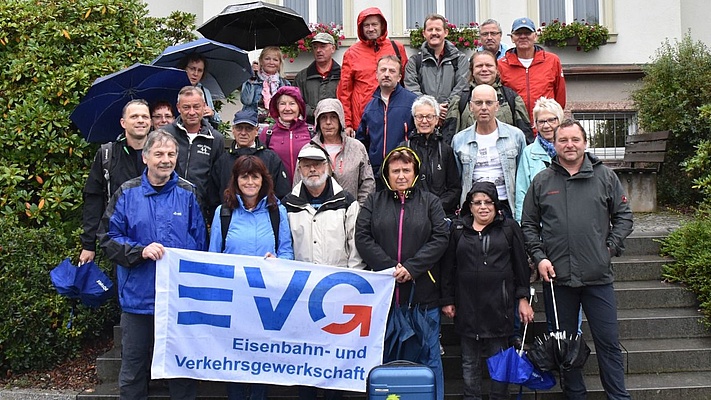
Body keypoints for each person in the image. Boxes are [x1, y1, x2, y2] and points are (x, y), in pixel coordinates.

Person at [521, 119, 633, 400]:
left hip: (598, 278)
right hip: (558, 280)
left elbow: (624, 218)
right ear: (554, 144)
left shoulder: (605, 176)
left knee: (608, 343)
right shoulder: (542, 181)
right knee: (565, 347)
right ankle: (575, 396)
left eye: (575, 139)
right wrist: (539, 257)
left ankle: (618, 397)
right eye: (563, 140)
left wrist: (609, 249)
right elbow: (529, 225)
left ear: (585, 143)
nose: (569, 145)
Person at [98, 129, 207, 400]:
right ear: (146, 157)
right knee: (134, 369)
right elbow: (108, 237)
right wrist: (139, 251)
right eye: (158, 154)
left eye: (171, 154)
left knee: (181, 370)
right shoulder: (127, 192)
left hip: (178, 300)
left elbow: (199, 243)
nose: (165, 160)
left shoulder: (188, 192)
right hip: (138, 297)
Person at [355, 147, 449, 400]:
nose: (401, 175)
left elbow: (440, 238)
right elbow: (362, 237)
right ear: (386, 174)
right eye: (395, 170)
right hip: (385, 298)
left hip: (423, 298)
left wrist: (413, 268)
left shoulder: (430, 202)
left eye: (406, 170)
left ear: (415, 173)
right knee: (387, 356)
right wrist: (389, 268)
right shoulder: (374, 202)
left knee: (429, 356)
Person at [208, 155, 293, 400]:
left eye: (254, 176)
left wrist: (277, 262)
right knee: (233, 357)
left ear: (263, 180)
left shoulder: (278, 212)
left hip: (266, 299)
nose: (250, 181)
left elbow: (287, 251)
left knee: (260, 356)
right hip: (234, 298)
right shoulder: (223, 213)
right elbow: (214, 255)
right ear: (235, 180)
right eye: (244, 176)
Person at [284, 145, 364, 400]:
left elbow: (356, 249)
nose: (312, 169)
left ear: (328, 168)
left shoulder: (347, 202)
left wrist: (351, 288)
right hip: (301, 296)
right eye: (307, 164)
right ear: (299, 168)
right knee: (305, 361)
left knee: (333, 363)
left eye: (318, 164)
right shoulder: (288, 205)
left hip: (337, 297)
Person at [440, 182, 533, 400]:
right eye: (477, 202)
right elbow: (448, 268)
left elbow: (521, 267)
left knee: (500, 361)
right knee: (469, 362)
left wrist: (523, 298)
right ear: (469, 206)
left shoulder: (509, 228)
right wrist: (447, 299)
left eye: (488, 202)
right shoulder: (458, 230)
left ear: (496, 205)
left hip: (499, 308)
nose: (483, 207)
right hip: (467, 307)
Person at [78, 99, 150, 265]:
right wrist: (88, 244)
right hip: (117, 242)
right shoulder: (107, 155)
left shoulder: (161, 155)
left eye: (144, 116)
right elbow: (93, 200)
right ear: (123, 123)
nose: (140, 120)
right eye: (134, 116)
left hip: (152, 240)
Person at [451, 84, 526, 217]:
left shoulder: (516, 136)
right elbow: (456, 180)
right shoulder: (459, 140)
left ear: (497, 106)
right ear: (471, 107)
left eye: (489, 103)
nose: (484, 108)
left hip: (506, 206)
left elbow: (522, 178)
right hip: (473, 206)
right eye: (479, 103)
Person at [338, 7, 408, 137]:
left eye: (374, 24)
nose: (370, 29)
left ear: (382, 26)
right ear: (361, 28)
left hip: (393, 116)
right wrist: (347, 123)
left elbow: (405, 82)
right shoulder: (351, 53)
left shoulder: (397, 48)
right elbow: (344, 91)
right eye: (366, 25)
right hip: (362, 120)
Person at [293, 98, 375, 205]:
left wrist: (359, 212)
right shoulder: (308, 150)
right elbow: (297, 186)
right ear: (317, 121)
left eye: (333, 117)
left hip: (351, 214)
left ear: (340, 119)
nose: (328, 122)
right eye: (323, 117)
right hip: (315, 216)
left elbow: (367, 183)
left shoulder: (356, 148)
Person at [403, 13, 468, 144]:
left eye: (438, 29)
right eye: (430, 30)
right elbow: (412, 89)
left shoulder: (460, 59)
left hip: (452, 119)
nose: (434, 33)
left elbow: (462, 86)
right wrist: (433, 109)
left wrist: (445, 108)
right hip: (424, 121)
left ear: (446, 32)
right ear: (424, 33)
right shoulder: (415, 62)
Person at [163, 86, 225, 221]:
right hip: (165, 204)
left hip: (199, 209)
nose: (192, 112)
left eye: (196, 107)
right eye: (186, 107)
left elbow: (216, 178)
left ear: (204, 107)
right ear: (178, 108)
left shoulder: (215, 139)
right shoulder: (164, 134)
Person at [356, 55, 417, 190]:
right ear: (376, 74)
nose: (387, 74)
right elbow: (362, 142)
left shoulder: (412, 103)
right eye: (383, 70)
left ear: (400, 77)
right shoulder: (370, 107)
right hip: (376, 175)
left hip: (403, 173)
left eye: (392, 71)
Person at [211, 109, 290, 209]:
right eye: (239, 128)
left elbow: (282, 193)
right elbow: (213, 197)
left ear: (256, 131)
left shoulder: (271, 159)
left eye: (248, 128)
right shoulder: (222, 161)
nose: (243, 133)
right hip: (230, 219)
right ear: (233, 130)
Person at [400, 95, 461, 217]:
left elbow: (454, 189)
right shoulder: (404, 149)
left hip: (440, 214)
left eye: (429, 117)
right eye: (419, 117)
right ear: (414, 119)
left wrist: (435, 206)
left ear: (437, 119)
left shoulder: (445, 150)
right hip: (410, 214)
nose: (424, 121)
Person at [498, 17, 566, 123]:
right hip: (515, 125)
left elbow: (560, 96)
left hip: (545, 125)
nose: (523, 37)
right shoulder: (501, 64)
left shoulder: (552, 61)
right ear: (512, 38)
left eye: (527, 33)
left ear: (535, 36)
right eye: (518, 33)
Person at [458, 50, 533, 143]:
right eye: (479, 66)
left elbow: (525, 134)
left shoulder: (511, 98)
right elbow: (450, 135)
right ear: (472, 70)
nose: (484, 69)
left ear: (497, 69)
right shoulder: (460, 100)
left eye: (489, 65)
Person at [513, 97, 564, 222]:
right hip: (540, 224)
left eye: (551, 120)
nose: (546, 126)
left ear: (560, 120)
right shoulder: (528, 153)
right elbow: (522, 191)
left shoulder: (570, 150)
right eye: (541, 121)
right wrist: (522, 224)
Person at [258, 86, 313, 186]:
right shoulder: (267, 133)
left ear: (299, 107)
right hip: (277, 193)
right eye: (282, 104)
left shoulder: (311, 132)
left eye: (292, 104)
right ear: (277, 107)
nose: (287, 108)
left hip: (307, 192)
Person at [294, 32, 341, 125]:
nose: (318, 50)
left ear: (333, 49)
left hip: (337, 127)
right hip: (309, 127)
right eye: (315, 47)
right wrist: (313, 112)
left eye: (323, 46)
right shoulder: (302, 77)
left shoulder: (343, 75)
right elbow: (296, 102)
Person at [241, 46, 290, 124]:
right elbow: (246, 101)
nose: (271, 62)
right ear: (261, 61)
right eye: (267, 59)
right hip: (253, 123)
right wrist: (251, 77)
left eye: (275, 60)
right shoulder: (253, 80)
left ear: (280, 63)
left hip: (278, 124)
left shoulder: (285, 84)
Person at [177, 53, 221, 127]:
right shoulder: (175, 89)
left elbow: (218, 119)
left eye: (200, 70)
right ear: (184, 68)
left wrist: (212, 113)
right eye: (192, 69)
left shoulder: (205, 92)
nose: (196, 73)